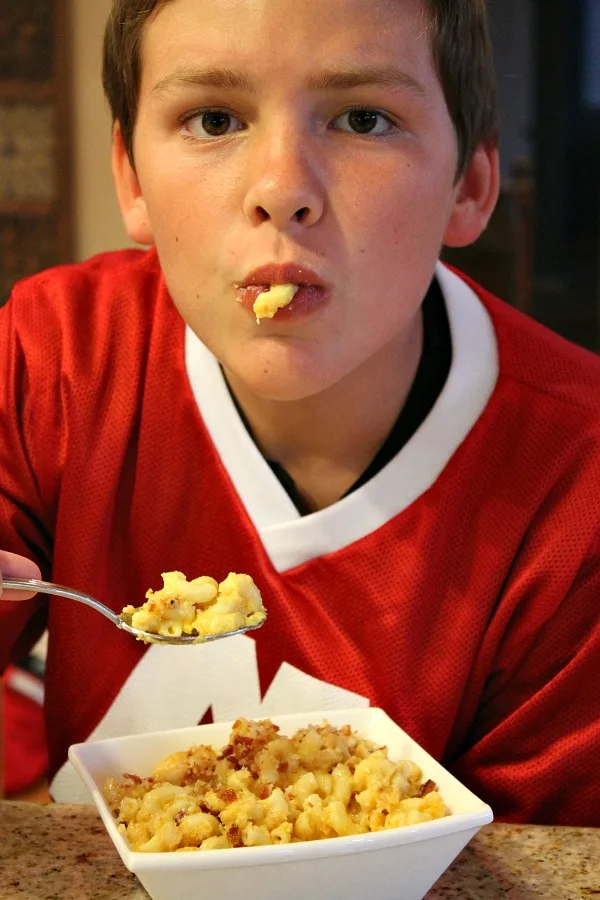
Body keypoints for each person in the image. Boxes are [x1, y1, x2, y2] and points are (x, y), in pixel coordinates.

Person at [1, 0, 599, 824]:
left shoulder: (578, 489)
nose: (282, 190)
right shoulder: (53, 361)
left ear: (470, 182)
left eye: (364, 119)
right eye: (213, 118)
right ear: (132, 179)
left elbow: (543, 866)